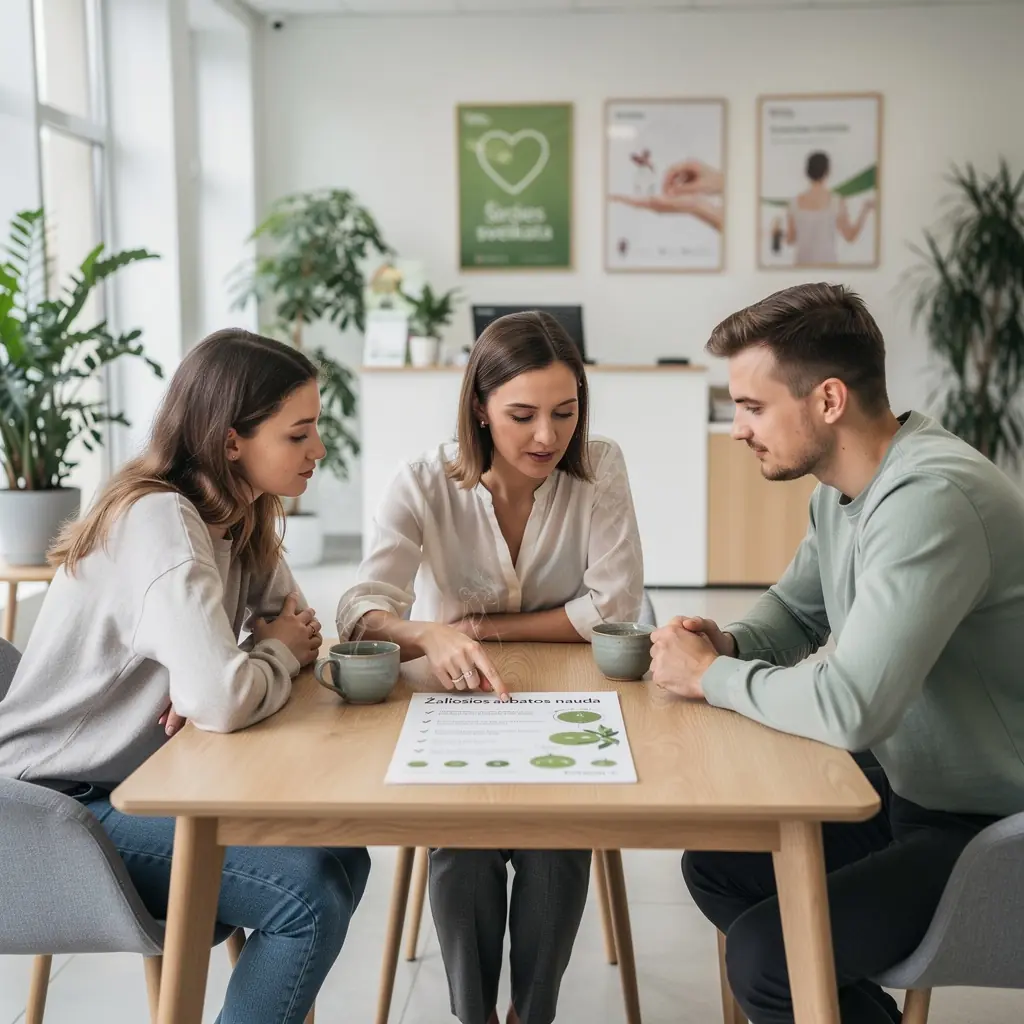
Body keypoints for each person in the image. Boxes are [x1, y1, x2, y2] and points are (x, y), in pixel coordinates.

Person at [648, 283, 1024, 1024]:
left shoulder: (929, 500)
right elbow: (796, 609)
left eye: (752, 407)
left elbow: (852, 708)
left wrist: (712, 675)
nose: (737, 429)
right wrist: (727, 643)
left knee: (768, 959)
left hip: (991, 827)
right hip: (918, 791)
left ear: (827, 400)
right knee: (718, 864)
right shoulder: (842, 490)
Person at [0, 329, 371, 1024]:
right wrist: (256, 661)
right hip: (51, 807)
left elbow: (293, 626)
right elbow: (227, 694)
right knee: (308, 893)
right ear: (232, 442)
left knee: (344, 855)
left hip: (128, 785)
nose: (319, 449)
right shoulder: (160, 519)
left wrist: (236, 660)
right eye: (298, 434)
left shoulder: (238, 513)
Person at [336, 310, 644, 1024]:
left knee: (556, 846)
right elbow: (359, 609)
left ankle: (532, 1016)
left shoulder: (600, 466)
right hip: (460, 703)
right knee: (465, 846)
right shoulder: (423, 481)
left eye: (565, 412)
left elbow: (615, 606)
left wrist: (477, 628)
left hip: (568, 699)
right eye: (522, 415)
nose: (547, 437)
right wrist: (424, 633)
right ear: (479, 408)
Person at [785, 151, 875, 266]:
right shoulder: (836, 201)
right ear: (827, 172)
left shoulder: (794, 203)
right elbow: (850, 236)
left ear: (807, 171)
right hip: (828, 267)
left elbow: (790, 239)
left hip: (802, 266)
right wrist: (865, 210)